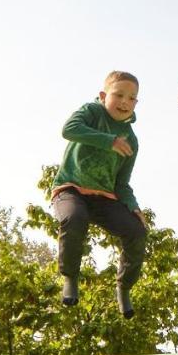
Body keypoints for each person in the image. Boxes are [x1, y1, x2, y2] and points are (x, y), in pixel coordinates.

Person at [50, 71, 147, 318]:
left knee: (137, 231)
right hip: (70, 189)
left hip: (104, 197)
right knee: (74, 218)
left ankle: (124, 288)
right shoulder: (92, 112)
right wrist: (108, 141)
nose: (125, 102)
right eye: (119, 95)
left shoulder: (131, 141)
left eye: (132, 98)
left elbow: (122, 183)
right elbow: (69, 129)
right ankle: (70, 277)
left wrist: (134, 207)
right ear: (104, 95)